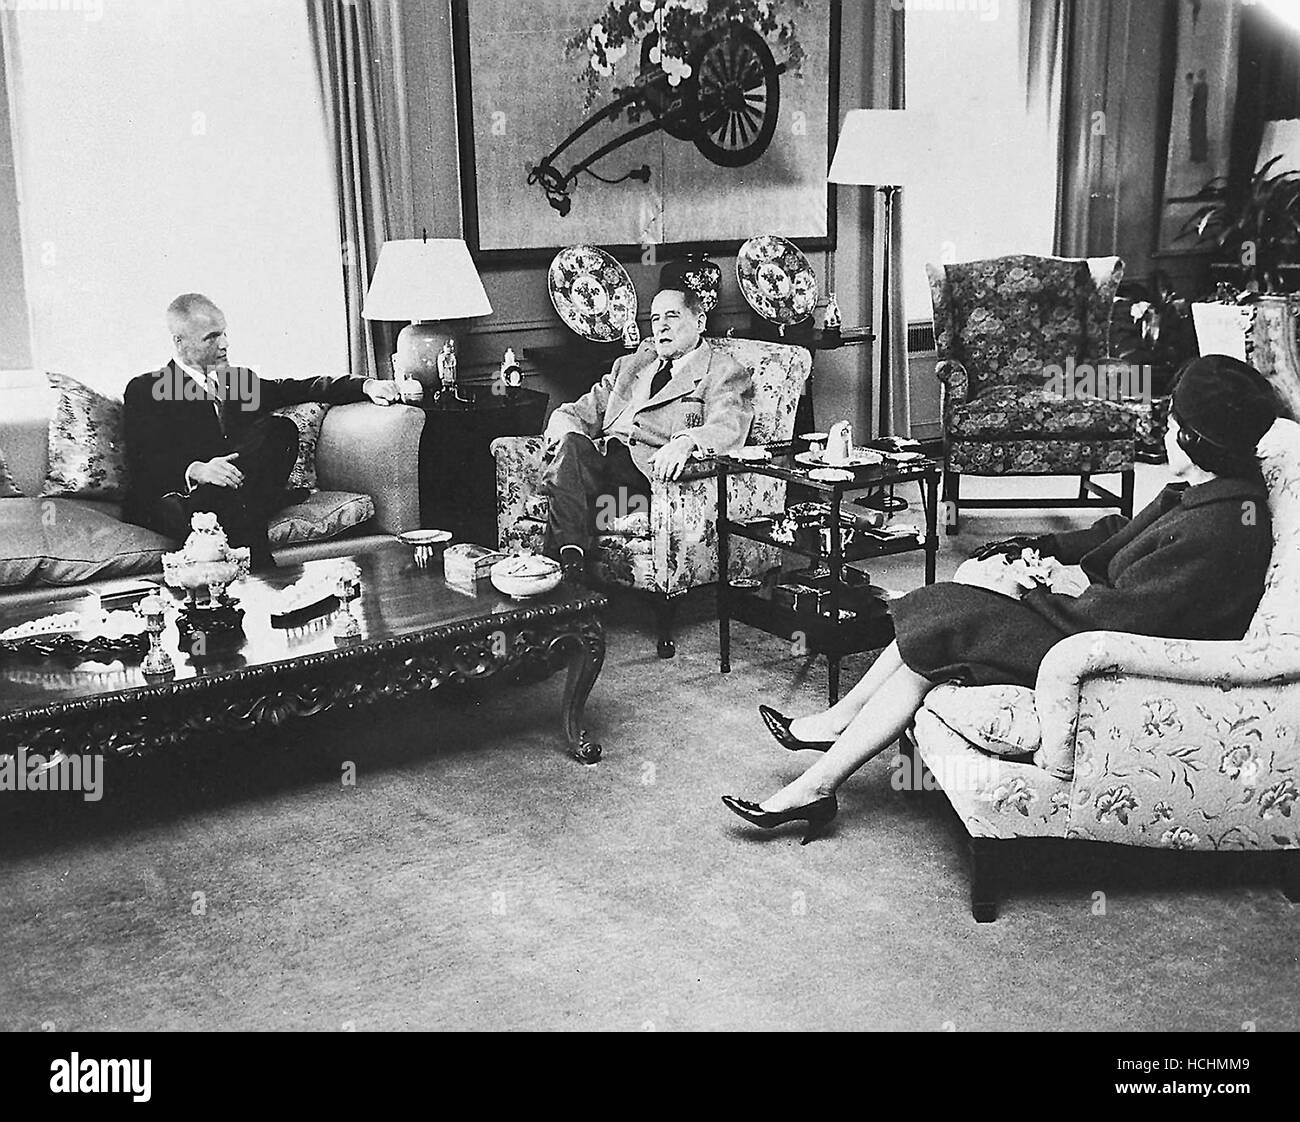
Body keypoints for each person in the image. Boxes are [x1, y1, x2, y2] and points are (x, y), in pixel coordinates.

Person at [723, 354, 1279, 844]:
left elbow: (1130, 623)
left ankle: (820, 780)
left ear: (1192, 441)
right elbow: (1125, 532)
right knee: (958, 592)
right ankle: (837, 729)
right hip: (1090, 627)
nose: (1162, 433)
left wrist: (1037, 589)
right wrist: (1042, 547)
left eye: (1173, 424)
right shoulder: (1206, 492)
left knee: (954, 611)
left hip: (1100, 657)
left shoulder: (1217, 529)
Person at [123, 293, 399, 569]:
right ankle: (256, 554)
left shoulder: (236, 381)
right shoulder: (147, 388)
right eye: (212, 337)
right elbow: (143, 461)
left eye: (225, 334)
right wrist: (198, 469)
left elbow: (297, 387)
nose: (225, 344)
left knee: (280, 429)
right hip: (182, 499)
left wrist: (364, 385)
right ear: (179, 341)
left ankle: (233, 516)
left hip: (231, 496)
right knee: (216, 503)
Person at [540, 286, 753, 583]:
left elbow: (728, 426)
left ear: (700, 322)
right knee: (571, 445)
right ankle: (571, 571)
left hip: (645, 482)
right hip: (601, 471)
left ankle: (561, 581)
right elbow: (574, 413)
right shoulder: (631, 365)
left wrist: (687, 441)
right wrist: (563, 439)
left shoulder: (722, 370)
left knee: (567, 477)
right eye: (654, 319)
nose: (661, 326)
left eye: (672, 316)